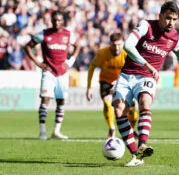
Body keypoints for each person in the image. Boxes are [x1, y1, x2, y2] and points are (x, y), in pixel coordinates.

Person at [112, 1, 179, 167]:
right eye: (168, 18)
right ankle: (136, 155)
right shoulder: (145, 26)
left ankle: (142, 144)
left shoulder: (174, 38)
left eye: (174, 19)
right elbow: (127, 45)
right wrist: (147, 64)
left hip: (147, 77)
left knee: (145, 102)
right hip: (127, 75)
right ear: (160, 15)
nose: (171, 23)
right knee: (119, 111)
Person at [25, 10, 80, 140]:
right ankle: (42, 131)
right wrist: (38, 63)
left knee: (61, 101)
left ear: (63, 21)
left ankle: (56, 131)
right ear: (51, 20)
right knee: (45, 100)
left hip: (62, 72)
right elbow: (27, 46)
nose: (56, 22)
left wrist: (70, 61)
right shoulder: (44, 34)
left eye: (59, 20)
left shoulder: (68, 34)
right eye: (54, 20)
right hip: (48, 72)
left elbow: (77, 46)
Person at [86, 33, 139, 138]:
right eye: (114, 45)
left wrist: (119, 82)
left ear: (123, 43)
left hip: (124, 82)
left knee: (132, 111)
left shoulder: (127, 54)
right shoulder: (102, 53)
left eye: (119, 45)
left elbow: (134, 71)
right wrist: (89, 87)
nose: (116, 47)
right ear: (110, 44)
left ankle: (131, 130)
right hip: (106, 82)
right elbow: (92, 67)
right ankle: (112, 128)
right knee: (107, 101)